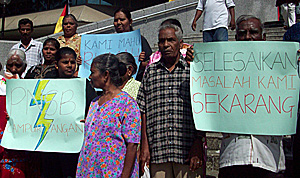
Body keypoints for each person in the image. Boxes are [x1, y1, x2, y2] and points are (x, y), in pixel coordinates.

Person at [186, 15, 285, 178]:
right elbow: (205, 92)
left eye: (253, 32)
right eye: (242, 33)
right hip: (233, 158)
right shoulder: (223, 69)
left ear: (264, 37)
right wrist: (197, 62)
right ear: (236, 38)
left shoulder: (281, 68)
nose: (247, 37)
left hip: (269, 159)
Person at [137, 23, 204, 178]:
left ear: (180, 44)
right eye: (161, 41)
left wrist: (198, 142)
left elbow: (203, 109)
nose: (165, 44)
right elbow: (143, 110)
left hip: (187, 152)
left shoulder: (193, 71)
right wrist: (145, 146)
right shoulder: (151, 72)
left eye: (171, 40)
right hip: (158, 151)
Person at [76, 53, 141, 177]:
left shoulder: (127, 104)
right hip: (90, 171)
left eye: (93, 72)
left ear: (105, 75)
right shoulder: (95, 103)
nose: (90, 76)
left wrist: (125, 176)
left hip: (113, 172)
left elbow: (132, 145)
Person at [40, 47, 97, 178]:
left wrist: (88, 118)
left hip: (73, 145)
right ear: (56, 65)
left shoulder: (84, 85)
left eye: (72, 63)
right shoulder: (46, 84)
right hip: (50, 146)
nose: (70, 66)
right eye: (65, 62)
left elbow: (93, 108)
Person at [0, 49, 29, 177]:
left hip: (22, 136)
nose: (13, 69)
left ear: (25, 67)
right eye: (10, 65)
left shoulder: (30, 86)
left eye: (18, 65)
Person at [113, 7, 152, 81]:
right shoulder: (109, 42)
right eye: (116, 20)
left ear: (130, 21)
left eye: (122, 19)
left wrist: (141, 62)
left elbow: (150, 63)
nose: (118, 23)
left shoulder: (140, 40)